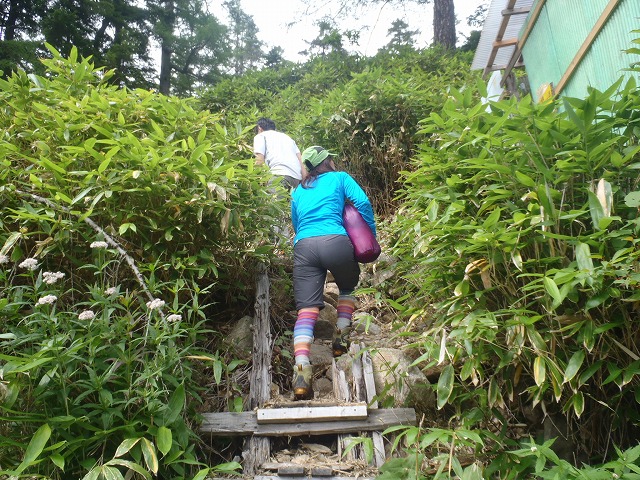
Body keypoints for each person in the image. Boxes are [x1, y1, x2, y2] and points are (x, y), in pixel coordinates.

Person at [289, 145, 377, 400]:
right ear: (327, 161)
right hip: (336, 241)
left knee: (306, 310)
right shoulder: (340, 178)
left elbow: (296, 222)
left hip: (304, 246)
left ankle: (302, 373)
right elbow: (362, 202)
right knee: (348, 286)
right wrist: (369, 233)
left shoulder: (298, 189)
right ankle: (340, 339)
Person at [253, 117, 305, 189]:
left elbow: (259, 160)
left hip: (278, 175)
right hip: (296, 179)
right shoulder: (288, 138)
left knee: (274, 199)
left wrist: (254, 180)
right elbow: (301, 161)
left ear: (259, 128)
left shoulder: (261, 136)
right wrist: (305, 182)